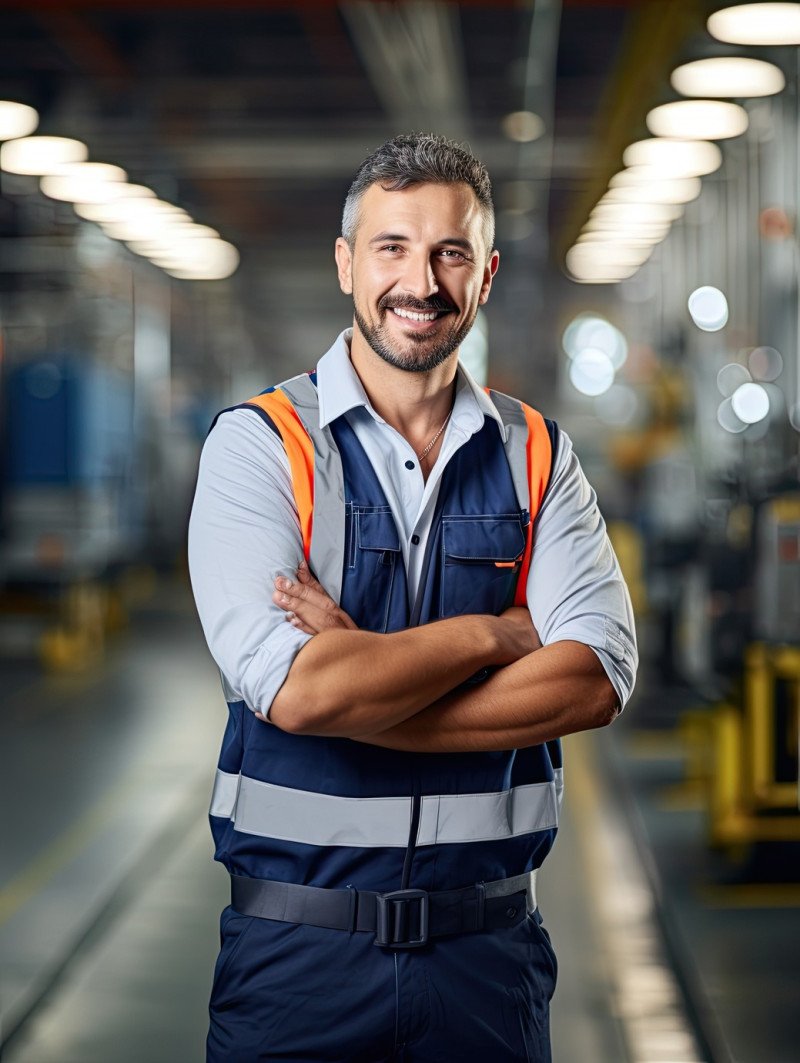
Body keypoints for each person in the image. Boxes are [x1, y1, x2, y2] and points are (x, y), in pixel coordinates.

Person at [188, 132, 637, 1063]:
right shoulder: (261, 447)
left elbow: (594, 677)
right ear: (346, 263)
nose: (420, 282)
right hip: (298, 961)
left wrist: (366, 685)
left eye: (451, 252)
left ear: (487, 273)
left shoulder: (538, 455)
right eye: (392, 247)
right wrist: (492, 635)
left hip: (488, 964)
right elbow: (300, 691)